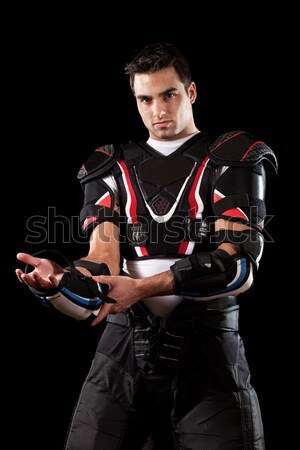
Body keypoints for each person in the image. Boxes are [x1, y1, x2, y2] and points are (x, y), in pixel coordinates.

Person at [16, 42, 277, 450]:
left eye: (169, 94)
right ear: (135, 101)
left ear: (190, 92)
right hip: (122, 346)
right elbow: (101, 265)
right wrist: (58, 283)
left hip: (207, 345)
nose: (158, 110)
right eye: (146, 99)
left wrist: (143, 286)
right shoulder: (110, 165)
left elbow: (237, 267)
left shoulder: (231, 157)